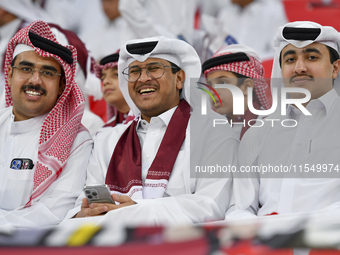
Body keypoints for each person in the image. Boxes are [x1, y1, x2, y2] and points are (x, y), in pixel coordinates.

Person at [64, 36, 238, 226]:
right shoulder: (106, 140)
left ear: (179, 79)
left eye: (154, 69)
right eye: (135, 71)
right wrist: (83, 215)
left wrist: (134, 212)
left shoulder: (212, 131)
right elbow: (81, 206)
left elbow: (211, 205)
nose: (143, 78)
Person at [232, 21, 340, 218]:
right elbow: (239, 207)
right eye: (290, 60)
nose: (299, 68)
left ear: (335, 68)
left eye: (312, 57)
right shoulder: (258, 132)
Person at [0, 20, 93, 228]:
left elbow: (53, 214)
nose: (35, 80)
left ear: (61, 86)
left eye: (48, 73)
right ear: (10, 74)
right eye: (26, 68)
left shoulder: (76, 141)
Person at [202, 44, 271, 139]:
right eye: (210, 86)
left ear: (246, 86)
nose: (213, 92)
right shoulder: (214, 131)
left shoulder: (270, 127)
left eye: (222, 82)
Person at [216, 0, 287, 61]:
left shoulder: (273, 12)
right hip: (229, 66)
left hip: (260, 68)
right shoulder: (225, 13)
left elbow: (280, 51)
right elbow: (218, 46)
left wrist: (248, 58)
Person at [94, 51, 132, 127]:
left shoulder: (152, 123)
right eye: (103, 78)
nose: (105, 82)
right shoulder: (104, 132)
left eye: (116, 75)